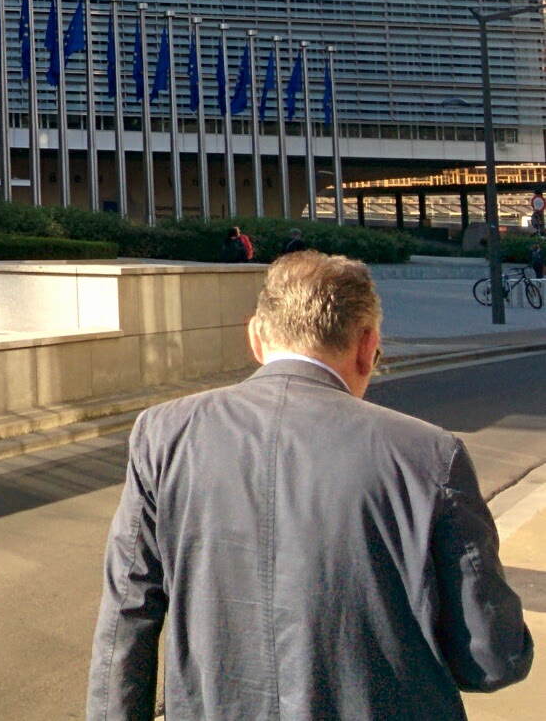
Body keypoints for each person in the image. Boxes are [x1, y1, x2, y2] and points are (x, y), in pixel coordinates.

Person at [87, 251, 531, 719]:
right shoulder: (429, 455)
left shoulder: (164, 434)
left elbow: (126, 617)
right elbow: (491, 658)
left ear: (256, 338)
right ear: (367, 345)